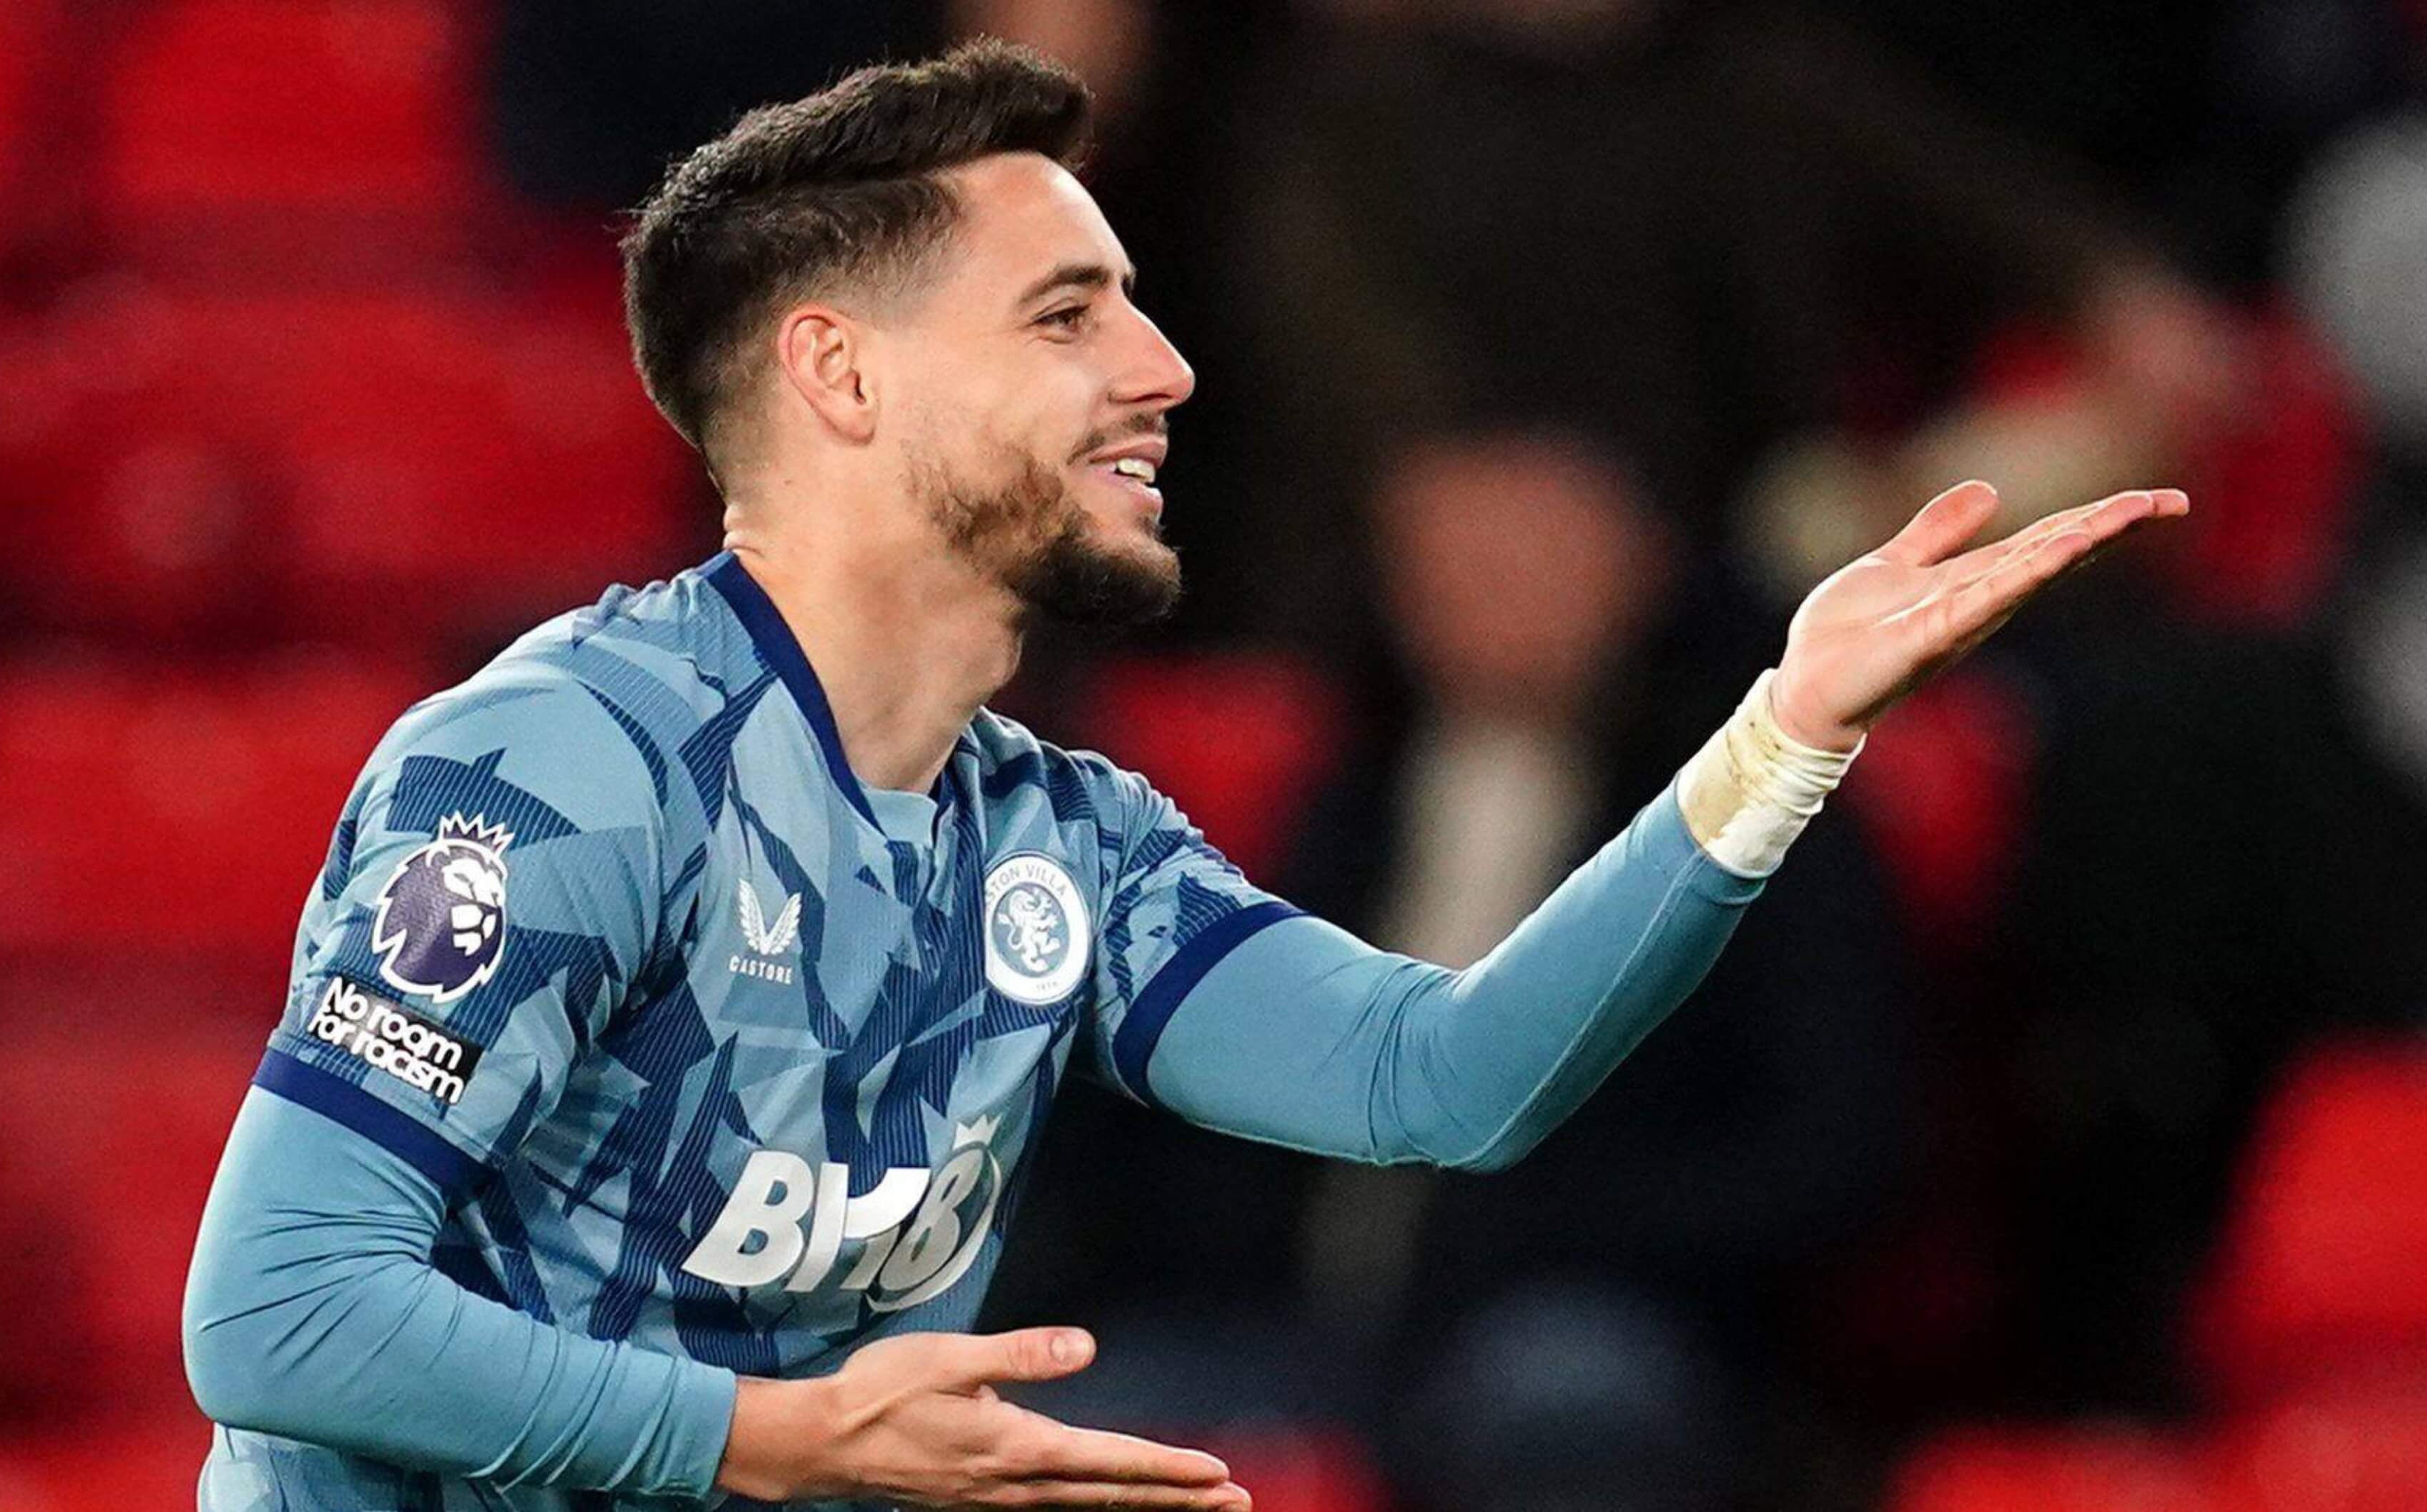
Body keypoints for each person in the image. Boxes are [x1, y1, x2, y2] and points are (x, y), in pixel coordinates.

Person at [180, 41, 2184, 1512]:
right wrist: (772, 1436)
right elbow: (271, 1311)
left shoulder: (1063, 845)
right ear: (842, 376)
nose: (1167, 369)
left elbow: (1441, 1082)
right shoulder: (563, 771)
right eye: (1071, 315)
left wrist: (1787, 729)